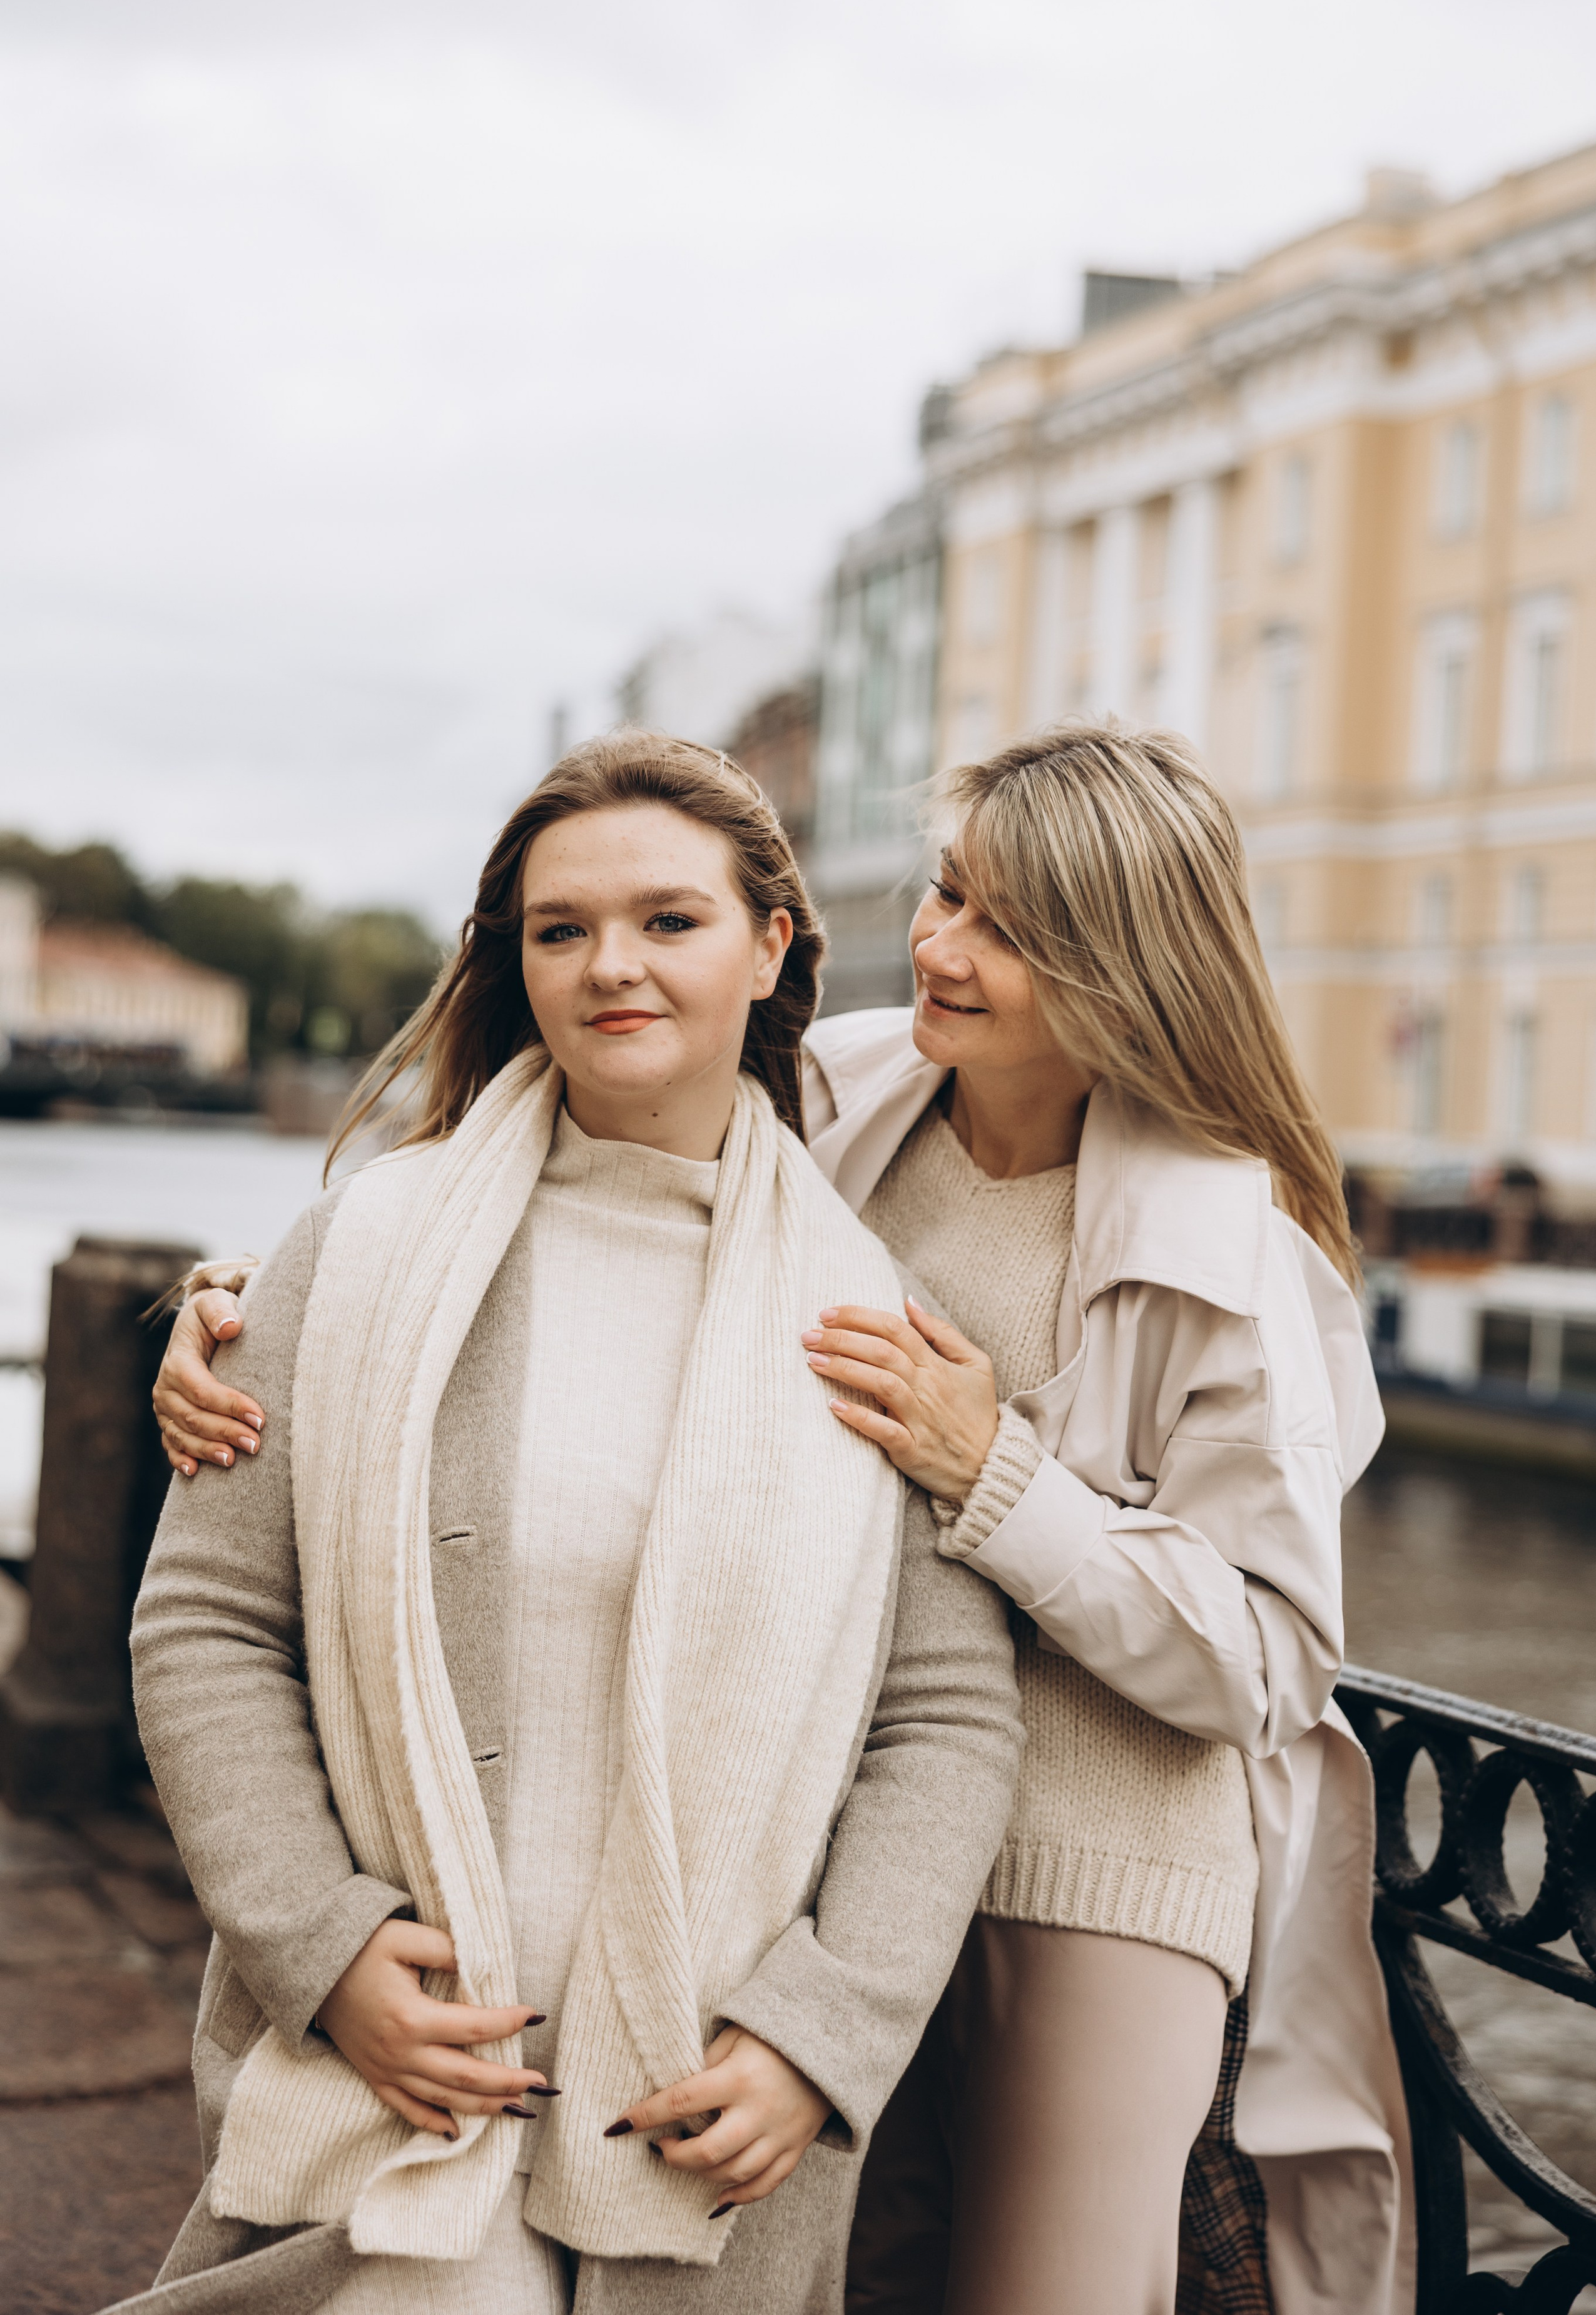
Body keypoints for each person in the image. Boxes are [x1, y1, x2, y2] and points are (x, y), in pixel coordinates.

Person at [153, 723, 1411, 2315]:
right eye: (947, 893)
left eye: (1009, 928)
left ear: (1123, 966)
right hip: (803, 1839)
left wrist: (993, 1476)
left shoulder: (1231, 1251)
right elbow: (581, 1186)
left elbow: (1271, 1662)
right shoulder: (856, 1092)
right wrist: (254, 1306)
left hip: (1089, 1854)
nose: (940, 947)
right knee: (841, 2272)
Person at [119, 733, 1020, 2315]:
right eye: (561, 929)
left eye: (670, 920)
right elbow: (207, 1624)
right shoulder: (358, 1253)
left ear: (771, 945)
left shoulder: (875, 1322)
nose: (612, 966)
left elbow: (942, 1720)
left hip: (692, 2114)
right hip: (391, 2091)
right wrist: (320, 1947)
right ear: (515, 959)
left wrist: (822, 2033)